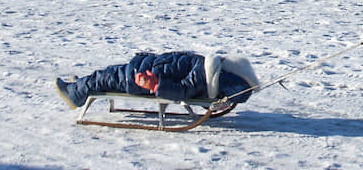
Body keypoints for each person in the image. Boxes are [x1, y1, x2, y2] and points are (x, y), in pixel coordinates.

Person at [54, 51, 260, 109]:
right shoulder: (205, 67)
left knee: (105, 77)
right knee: (106, 74)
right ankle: (82, 84)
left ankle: (74, 94)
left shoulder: (202, 76)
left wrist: (155, 85)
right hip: (145, 67)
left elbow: (181, 91)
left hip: (141, 78)